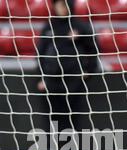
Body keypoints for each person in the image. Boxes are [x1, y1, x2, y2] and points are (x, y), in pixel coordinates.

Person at [36, 0, 99, 137]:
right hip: (52, 79)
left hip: (73, 80)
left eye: (64, 5)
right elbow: (40, 53)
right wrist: (41, 78)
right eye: (58, 5)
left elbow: (93, 50)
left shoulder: (80, 27)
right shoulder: (49, 27)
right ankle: (52, 149)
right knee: (53, 116)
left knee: (73, 115)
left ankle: (74, 148)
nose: (61, 9)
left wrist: (89, 71)